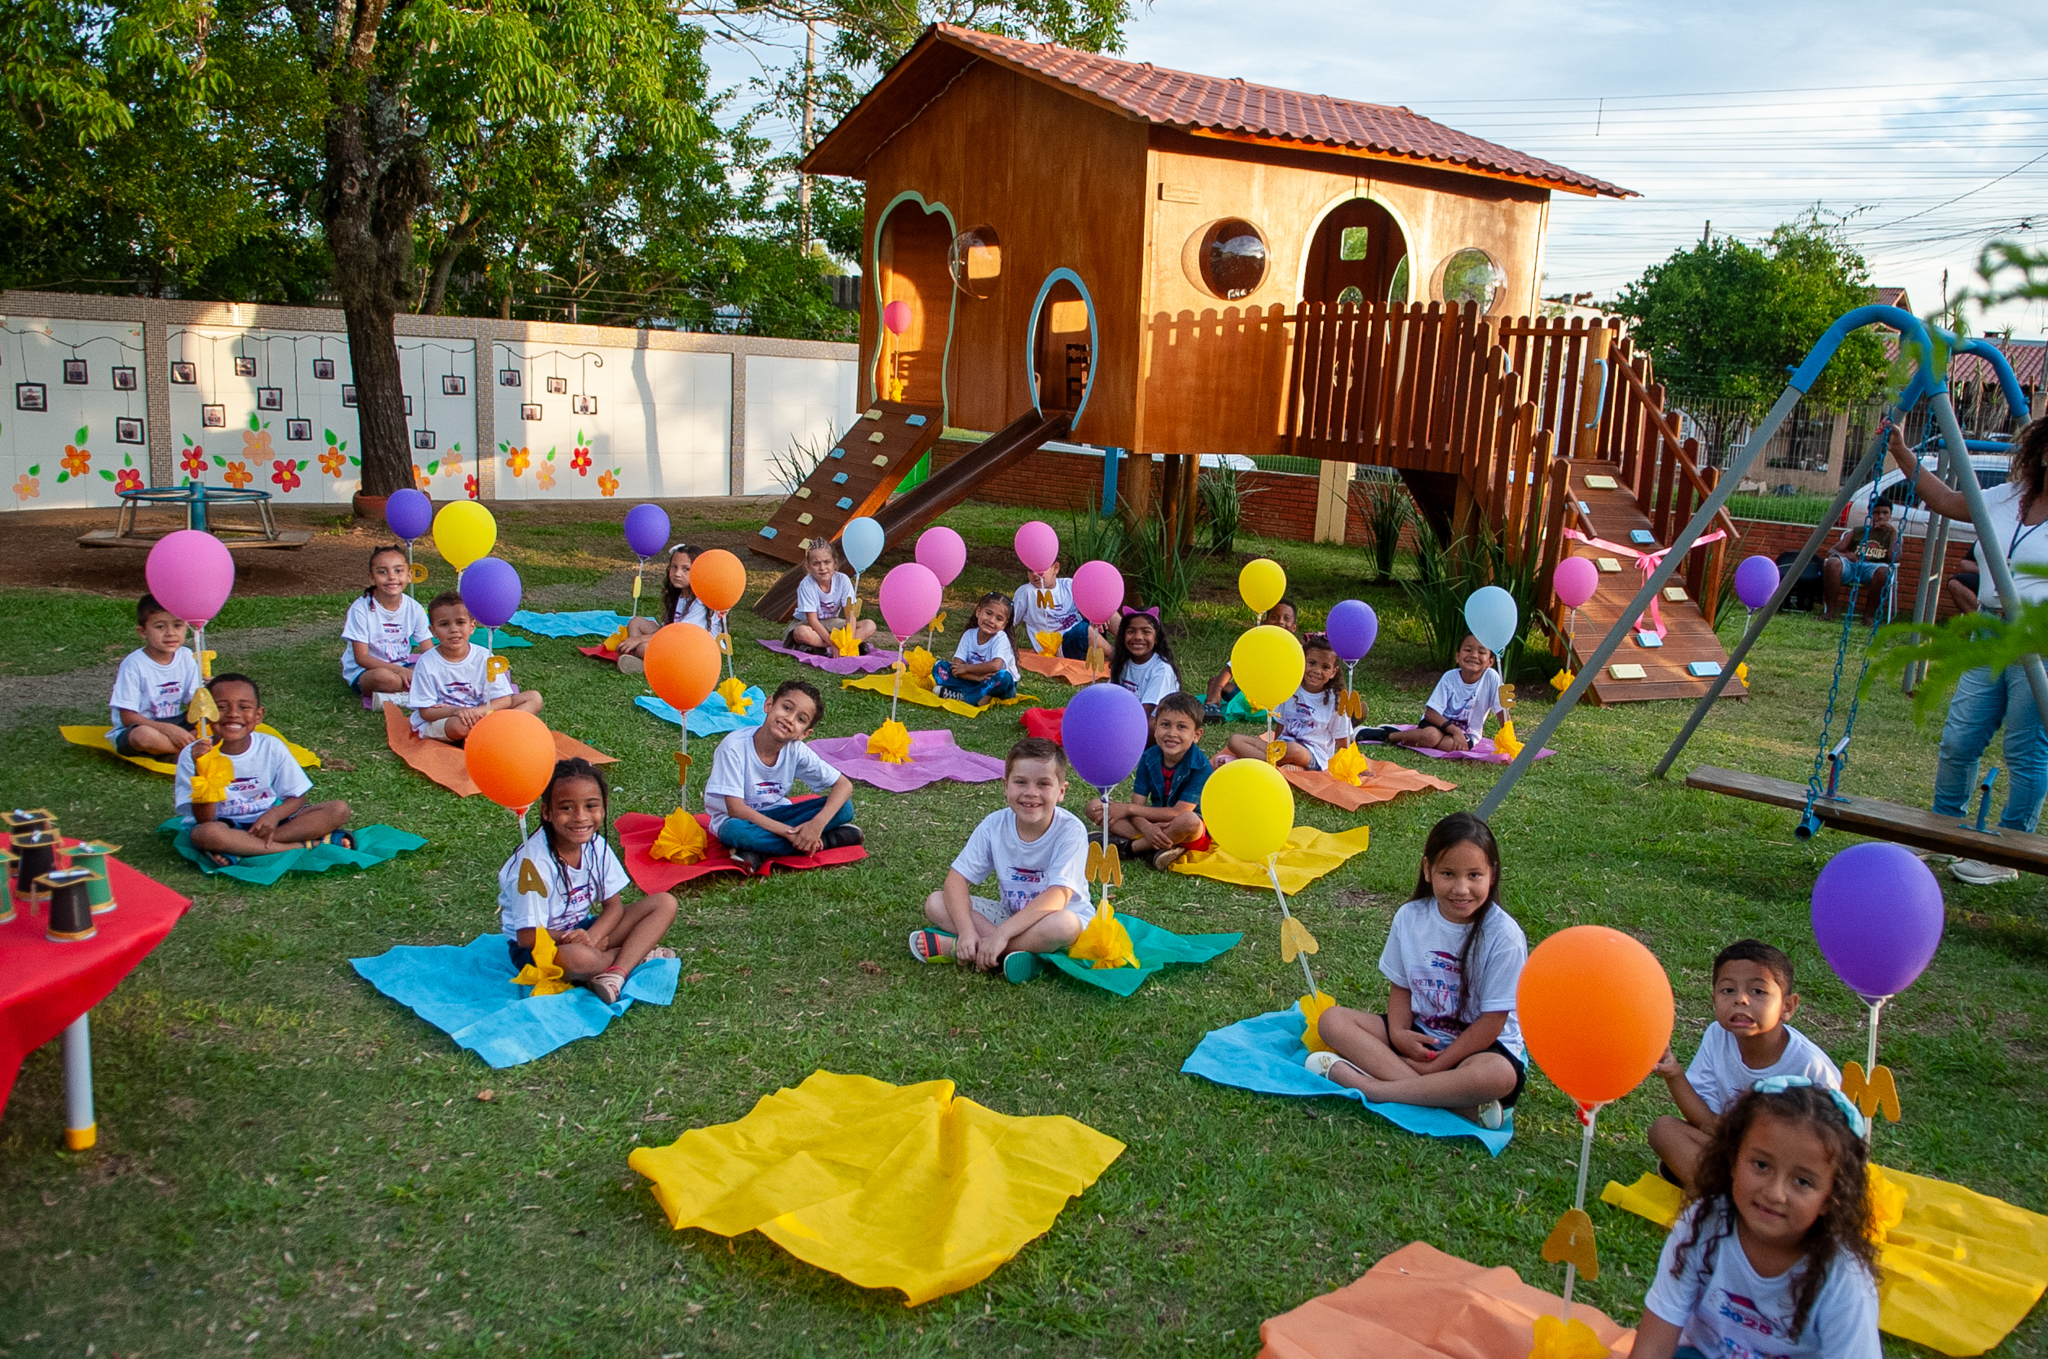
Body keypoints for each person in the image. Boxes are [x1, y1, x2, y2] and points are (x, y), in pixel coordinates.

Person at [1885, 417, 2048, 885]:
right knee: (1960, 737)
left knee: (2025, 749)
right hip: (1990, 629)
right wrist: (1900, 452)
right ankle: (1943, 831)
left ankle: (2008, 851)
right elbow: (1945, 500)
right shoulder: (2009, 496)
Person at [1631, 1081, 1881, 1359]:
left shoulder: (1843, 1278)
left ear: (1830, 1197)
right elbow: (1652, 1347)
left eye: (1802, 1181)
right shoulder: (1703, 1225)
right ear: (1732, 1160)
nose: (1775, 1193)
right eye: (1761, 1165)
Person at [1307, 812, 1526, 1129]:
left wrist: (1438, 1068)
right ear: (1427, 870)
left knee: (1498, 1075)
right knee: (1332, 1020)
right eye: (1448, 873)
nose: (1461, 888)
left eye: (1474, 875)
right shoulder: (1410, 917)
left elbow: (1492, 1023)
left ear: (1492, 874)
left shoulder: (1504, 936)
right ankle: (1453, 1104)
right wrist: (1398, 1034)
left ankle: (1374, 1088)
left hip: (1479, 1049)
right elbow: (1401, 987)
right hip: (1422, 1037)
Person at [1648, 940, 1840, 1193]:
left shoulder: (1809, 1066)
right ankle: (1731, 1198)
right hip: (1736, 1154)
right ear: (1713, 998)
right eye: (1728, 990)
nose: (1741, 999)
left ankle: (1720, 1195)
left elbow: (1832, 1149)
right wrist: (1673, 1073)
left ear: (1788, 1006)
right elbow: (1705, 1123)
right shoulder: (1717, 1036)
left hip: (1790, 1172)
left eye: (1758, 992)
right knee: (1663, 1130)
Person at [909, 737, 1092, 982]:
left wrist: (1001, 935)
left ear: (1061, 791)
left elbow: (1058, 897)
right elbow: (955, 880)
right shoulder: (994, 825)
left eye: (1043, 784)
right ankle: (1004, 953)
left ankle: (974, 951)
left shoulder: (1071, 830)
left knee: (1065, 925)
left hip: (1054, 919)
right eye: (1020, 782)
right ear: (1006, 786)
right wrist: (965, 931)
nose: (1031, 792)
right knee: (936, 903)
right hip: (1011, 915)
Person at [498, 758, 678, 1004]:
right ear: (546, 812)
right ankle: (634, 956)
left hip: (583, 931)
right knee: (578, 959)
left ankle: (614, 974)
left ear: (603, 808)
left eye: (591, 806)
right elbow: (527, 937)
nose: (580, 817)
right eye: (566, 808)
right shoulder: (532, 865)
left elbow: (613, 907)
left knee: (664, 903)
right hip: (542, 947)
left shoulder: (597, 846)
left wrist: (593, 937)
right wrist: (577, 940)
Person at [175, 673, 353, 866]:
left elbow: (298, 797)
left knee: (339, 810)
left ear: (258, 715)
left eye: (244, 707)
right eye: (221, 707)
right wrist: (203, 768)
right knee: (205, 834)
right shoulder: (192, 755)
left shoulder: (271, 746)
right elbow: (204, 819)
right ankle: (306, 845)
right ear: (207, 713)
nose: (233, 714)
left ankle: (243, 849)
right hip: (223, 825)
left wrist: (274, 815)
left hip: (269, 823)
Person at [704, 679, 861, 871]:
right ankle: (827, 841)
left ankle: (759, 851)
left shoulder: (796, 749)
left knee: (844, 808)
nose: (789, 719)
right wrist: (790, 834)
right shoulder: (733, 747)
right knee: (733, 832)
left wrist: (816, 826)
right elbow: (736, 809)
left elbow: (844, 785)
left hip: (780, 815)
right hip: (739, 820)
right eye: (786, 708)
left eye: (800, 719)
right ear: (769, 704)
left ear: (804, 733)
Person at [1086, 691, 1212, 871]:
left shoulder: (1200, 766)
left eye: (1181, 727)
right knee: (1095, 806)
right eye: (1165, 725)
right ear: (1155, 726)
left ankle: (1131, 848)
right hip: (1153, 821)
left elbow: (1178, 812)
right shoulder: (1148, 757)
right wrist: (1147, 828)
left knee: (1189, 821)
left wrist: (1128, 810)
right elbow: (1138, 805)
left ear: (1197, 734)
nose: (1171, 733)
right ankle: (1157, 848)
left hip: (1186, 828)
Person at [406, 592, 545, 743]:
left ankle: (495, 731)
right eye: (444, 624)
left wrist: (476, 712)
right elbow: (426, 712)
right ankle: (497, 732)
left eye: (460, 622)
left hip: (481, 712)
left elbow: (504, 699)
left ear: (472, 626)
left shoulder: (484, 656)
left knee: (534, 698)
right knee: (459, 726)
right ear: (432, 631)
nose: (454, 630)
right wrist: (457, 711)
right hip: (448, 718)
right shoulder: (426, 662)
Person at [1217, 633, 1354, 769]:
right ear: (1302, 662)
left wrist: (1353, 767)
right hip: (1281, 749)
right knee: (1235, 740)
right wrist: (1274, 747)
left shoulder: (1335, 700)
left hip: (1312, 754)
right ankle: (1278, 766)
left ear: (1334, 672)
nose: (1317, 671)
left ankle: (1260, 764)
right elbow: (1281, 725)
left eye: (1325, 667)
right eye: (1312, 663)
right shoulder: (1289, 688)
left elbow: (1342, 739)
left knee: (1293, 750)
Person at [1363, 634, 1504, 753]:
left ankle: (1420, 737)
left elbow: (1501, 711)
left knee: (1450, 745)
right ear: (1457, 656)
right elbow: (1431, 713)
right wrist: (1454, 731)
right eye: (1467, 650)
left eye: (1481, 652)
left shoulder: (1491, 678)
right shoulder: (1450, 677)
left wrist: (1509, 738)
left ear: (1490, 661)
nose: (1473, 655)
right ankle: (1388, 735)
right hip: (1438, 724)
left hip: (1467, 733)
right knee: (1430, 736)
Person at [109, 593, 203, 757]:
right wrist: (169, 730)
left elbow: (194, 702)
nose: (170, 633)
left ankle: (176, 747)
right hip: (140, 725)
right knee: (143, 737)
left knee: (220, 720)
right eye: (160, 627)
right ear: (142, 632)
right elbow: (128, 717)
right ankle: (188, 751)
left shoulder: (186, 656)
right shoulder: (134, 664)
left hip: (177, 721)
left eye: (178, 625)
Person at [341, 545, 432, 703]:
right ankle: (415, 692)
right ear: (372, 578)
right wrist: (399, 671)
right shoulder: (361, 609)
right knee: (383, 677)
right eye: (382, 572)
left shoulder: (414, 608)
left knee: (429, 669)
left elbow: (428, 649)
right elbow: (361, 657)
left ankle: (403, 694)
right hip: (367, 671)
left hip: (403, 665)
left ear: (409, 575)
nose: (391, 577)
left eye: (398, 571)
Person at [618, 543, 721, 676]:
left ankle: (647, 664)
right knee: (636, 622)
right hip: (675, 640)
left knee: (644, 647)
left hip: (695, 651)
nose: (677, 574)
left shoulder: (701, 601)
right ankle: (643, 662)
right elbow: (668, 628)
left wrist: (639, 639)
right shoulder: (679, 594)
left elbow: (680, 634)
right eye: (674, 567)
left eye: (686, 569)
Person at [1205, 599, 1298, 720]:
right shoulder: (1256, 644)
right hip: (1249, 694)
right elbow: (1231, 668)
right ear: (1265, 623)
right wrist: (1216, 692)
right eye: (1274, 617)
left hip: (1279, 697)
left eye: (1287, 619)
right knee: (1216, 682)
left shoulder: (1297, 650)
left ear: (1294, 627)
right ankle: (1211, 707)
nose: (1280, 622)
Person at [1013, 556, 1106, 660]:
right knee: (1084, 631)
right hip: (1060, 646)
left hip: (1084, 636)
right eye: (1030, 570)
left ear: (1055, 568)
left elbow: (1092, 605)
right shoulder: (1026, 592)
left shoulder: (1068, 584)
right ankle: (1117, 655)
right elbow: (1009, 621)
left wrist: (1098, 615)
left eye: (1040, 570)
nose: (1034, 574)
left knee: (1106, 609)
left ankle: (1124, 641)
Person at [788, 539, 873, 653]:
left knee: (869, 625)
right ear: (808, 567)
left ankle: (826, 648)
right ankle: (830, 648)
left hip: (832, 622)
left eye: (827, 562)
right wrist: (832, 643)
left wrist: (848, 639)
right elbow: (812, 620)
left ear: (835, 563)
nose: (822, 568)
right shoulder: (806, 585)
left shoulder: (843, 580)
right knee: (802, 633)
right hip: (808, 624)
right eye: (816, 563)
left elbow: (850, 615)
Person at [934, 592, 1019, 706]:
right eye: (988, 613)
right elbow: (957, 666)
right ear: (978, 612)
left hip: (997, 683)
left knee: (1004, 676)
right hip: (974, 679)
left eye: (999, 619)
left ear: (1004, 625)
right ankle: (977, 695)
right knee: (939, 667)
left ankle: (967, 696)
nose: (991, 621)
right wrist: (976, 677)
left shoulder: (1000, 638)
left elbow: (996, 666)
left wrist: (967, 668)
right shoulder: (969, 635)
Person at [1821, 500, 1897, 622]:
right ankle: (1830, 612)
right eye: (1876, 512)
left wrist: (1893, 532)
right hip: (1852, 566)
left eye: (1885, 513)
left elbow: (1895, 558)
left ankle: (1868, 617)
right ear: (1870, 513)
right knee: (1832, 563)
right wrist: (1846, 555)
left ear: (1890, 514)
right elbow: (1831, 551)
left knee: (1884, 572)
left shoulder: (1893, 535)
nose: (1881, 516)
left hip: (1874, 569)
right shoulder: (1858, 531)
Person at [1111, 607, 1180, 717]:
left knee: (1153, 726)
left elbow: (1145, 711)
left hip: (1151, 718)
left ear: (1156, 639)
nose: (1138, 637)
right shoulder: (1122, 663)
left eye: (1146, 632)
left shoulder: (1162, 669)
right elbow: (1111, 696)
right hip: (1127, 717)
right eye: (1131, 631)